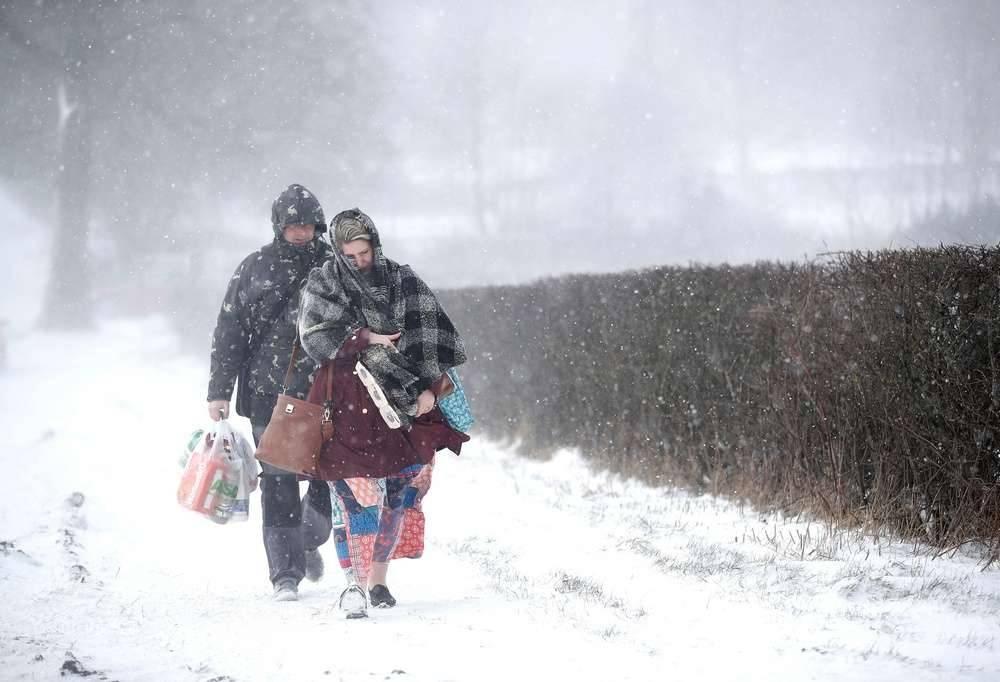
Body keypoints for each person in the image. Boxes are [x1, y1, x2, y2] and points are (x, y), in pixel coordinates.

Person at [298, 207, 469, 618]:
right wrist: (364, 337)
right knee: (353, 496)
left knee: (399, 492)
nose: (361, 261)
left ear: (376, 244)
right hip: (346, 402)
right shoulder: (324, 283)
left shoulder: (403, 280)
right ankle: (353, 586)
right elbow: (313, 337)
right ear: (338, 252)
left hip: (403, 403)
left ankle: (378, 580)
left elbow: (431, 337)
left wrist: (429, 388)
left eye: (366, 252)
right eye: (351, 254)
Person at [206, 183, 333, 602]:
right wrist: (218, 390)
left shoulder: (335, 266)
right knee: (279, 481)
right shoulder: (254, 268)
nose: (301, 232)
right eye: (293, 225)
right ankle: (285, 574)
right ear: (279, 225)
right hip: (268, 394)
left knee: (326, 474)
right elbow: (230, 332)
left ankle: (309, 538)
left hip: (326, 391)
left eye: (308, 224)